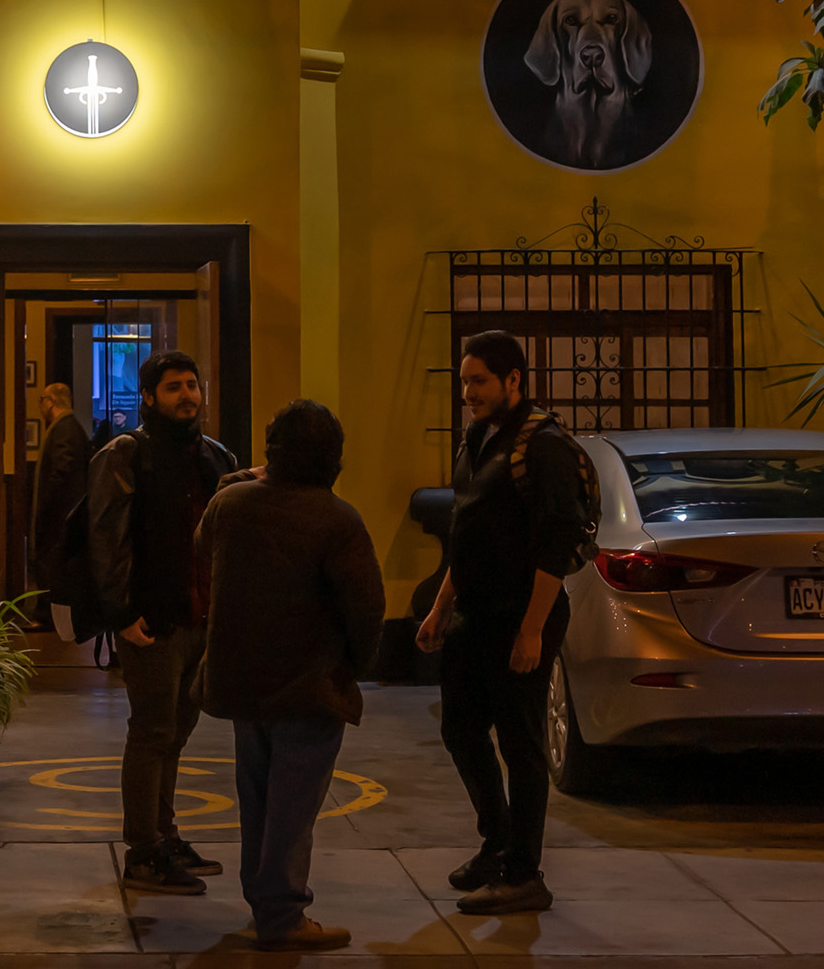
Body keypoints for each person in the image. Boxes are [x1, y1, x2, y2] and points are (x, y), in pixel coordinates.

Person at [197, 399, 383, 952]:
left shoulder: (230, 504)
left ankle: (263, 905)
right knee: (292, 808)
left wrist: (241, 479)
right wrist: (357, 666)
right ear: (333, 457)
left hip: (241, 680)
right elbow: (366, 610)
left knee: (255, 800)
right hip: (309, 684)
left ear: (271, 451)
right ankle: (283, 916)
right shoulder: (338, 519)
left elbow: (202, 547)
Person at [415, 330, 587, 916]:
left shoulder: (544, 446)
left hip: (522, 614)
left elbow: (555, 545)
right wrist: (442, 607)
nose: (468, 392)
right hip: (474, 611)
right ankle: (498, 843)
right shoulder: (477, 438)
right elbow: (469, 532)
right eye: (464, 381)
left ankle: (523, 874)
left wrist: (532, 630)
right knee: (460, 730)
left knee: (521, 742)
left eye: (479, 381)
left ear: (513, 379)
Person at [88, 350, 238, 894]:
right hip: (150, 623)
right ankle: (143, 852)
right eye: (173, 387)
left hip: (199, 619)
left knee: (176, 734)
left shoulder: (215, 456)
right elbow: (106, 540)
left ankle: (165, 834)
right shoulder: (126, 454)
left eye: (192, 385)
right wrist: (122, 614)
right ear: (148, 397)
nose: (187, 396)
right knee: (152, 733)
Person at [30, 381, 95, 611]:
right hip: (65, 516)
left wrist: (45, 507)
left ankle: (48, 614)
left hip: (59, 517)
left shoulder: (63, 429)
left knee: (53, 567)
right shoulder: (71, 427)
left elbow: (61, 474)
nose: (41, 406)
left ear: (51, 402)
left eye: (42, 400)